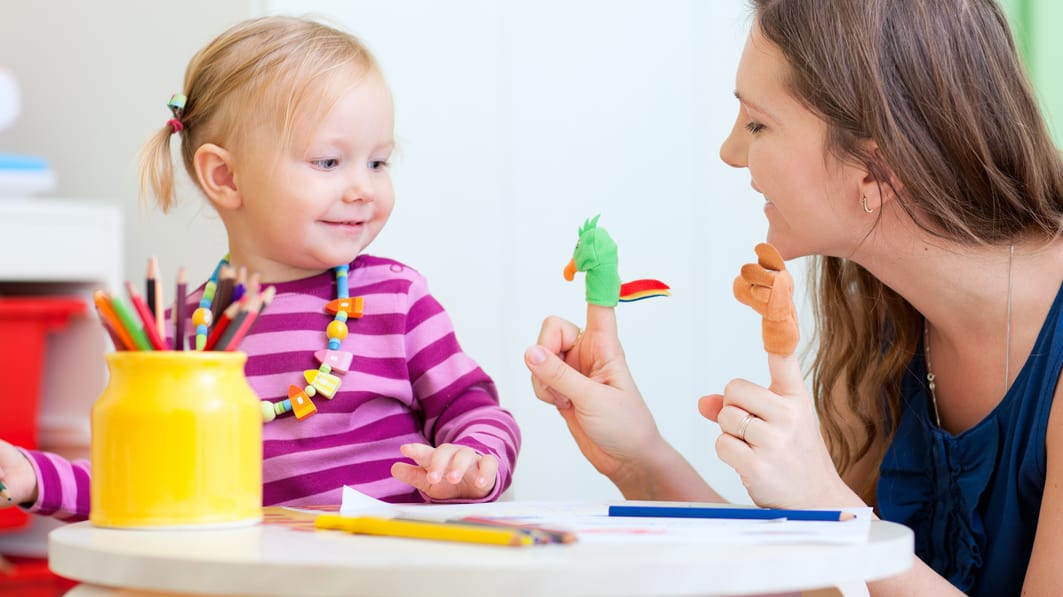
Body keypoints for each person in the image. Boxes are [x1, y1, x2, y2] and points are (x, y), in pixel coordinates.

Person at [524, 0, 1063, 594]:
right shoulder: (886, 318)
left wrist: (835, 509)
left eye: (757, 124)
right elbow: (817, 587)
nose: (730, 152)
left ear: (875, 169)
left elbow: (841, 543)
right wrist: (640, 458)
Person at [0, 15, 521, 519]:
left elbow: (473, 407)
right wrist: (34, 476)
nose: (364, 187)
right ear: (225, 177)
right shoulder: (181, 333)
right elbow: (145, 477)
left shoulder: (396, 297)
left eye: (378, 162)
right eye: (329, 162)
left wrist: (474, 461)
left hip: (391, 567)